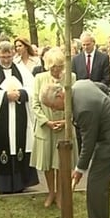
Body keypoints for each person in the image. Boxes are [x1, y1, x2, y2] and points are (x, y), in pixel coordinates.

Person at [40, 80, 110, 218]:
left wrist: (79, 169)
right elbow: (102, 87)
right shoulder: (79, 85)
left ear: (60, 95)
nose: (54, 109)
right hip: (106, 138)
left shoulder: (84, 109)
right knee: (96, 182)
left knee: (97, 183)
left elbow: (88, 142)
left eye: (53, 105)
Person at [0, 41, 39, 194]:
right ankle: (2, 184)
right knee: (3, 148)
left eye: (9, 56)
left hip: (19, 115)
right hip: (0, 116)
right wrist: (5, 96)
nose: (6, 60)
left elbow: (33, 90)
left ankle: (21, 182)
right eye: (3, 57)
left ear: (13, 54)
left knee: (19, 145)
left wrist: (21, 94)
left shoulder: (22, 70)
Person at [31, 48, 77, 207]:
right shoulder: (39, 78)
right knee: (47, 162)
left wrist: (66, 121)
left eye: (59, 66)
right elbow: (35, 104)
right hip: (46, 127)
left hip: (64, 126)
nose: (57, 70)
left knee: (61, 162)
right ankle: (51, 192)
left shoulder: (71, 77)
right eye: (53, 67)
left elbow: (75, 103)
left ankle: (61, 193)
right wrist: (46, 122)